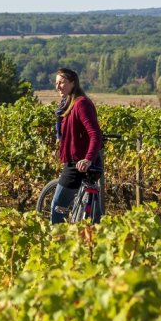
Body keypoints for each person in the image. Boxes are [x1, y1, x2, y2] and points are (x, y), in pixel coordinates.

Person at [50, 68, 103, 224]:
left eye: (62, 82)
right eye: (56, 83)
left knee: (57, 206)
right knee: (92, 210)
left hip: (78, 163)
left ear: (73, 83)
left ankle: (57, 241)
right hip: (86, 162)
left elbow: (95, 134)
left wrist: (87, 159)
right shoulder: (68, 104)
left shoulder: (81, 104)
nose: (58, 86)